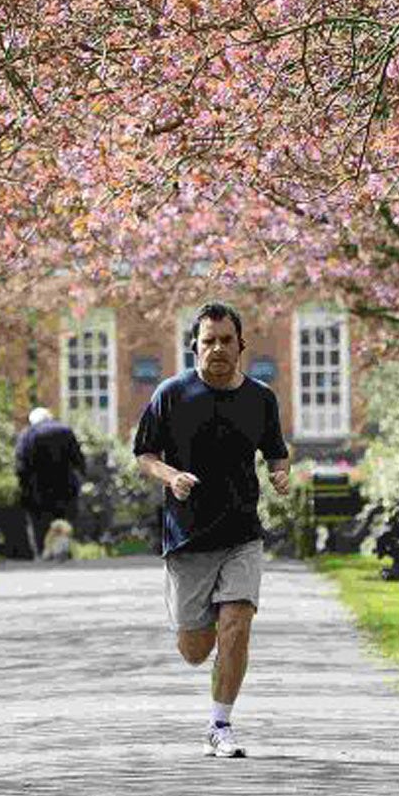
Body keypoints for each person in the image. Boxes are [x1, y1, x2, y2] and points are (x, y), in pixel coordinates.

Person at [132, 302, 290, 758]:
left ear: (240, 345)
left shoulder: (261, 398)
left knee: (236, 625)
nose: (217, 349)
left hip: (242, 533)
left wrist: (280, 473)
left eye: (226, 341)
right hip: (187, 537)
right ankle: (195, 636)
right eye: (208, 342)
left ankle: (220, 724)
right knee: (196, 650)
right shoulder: (171, 394)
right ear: (194, 348)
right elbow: (145, 454)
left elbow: (276, 451)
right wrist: (171, 477)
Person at [15, 405, 86, 560]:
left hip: (37, 490)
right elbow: (78, 460)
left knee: (39, 524)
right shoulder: (65, 431)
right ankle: (62, 549)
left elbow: (21, 466)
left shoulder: (27, 435)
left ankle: (43, 553)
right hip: (66, 486)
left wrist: (23, 488)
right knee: (64, 519)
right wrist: (82, 477)